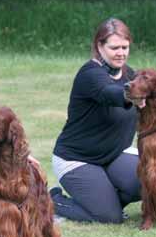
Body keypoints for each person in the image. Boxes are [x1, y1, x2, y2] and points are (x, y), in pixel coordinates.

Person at [50, 18, 141, 224]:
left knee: (151, 180)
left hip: (113, 155)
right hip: (76, 158)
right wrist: (133, 95)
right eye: (114, 47)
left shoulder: (130, 74)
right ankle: (52, 200)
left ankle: (103, 200)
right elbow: (108, 92)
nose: (121, 53)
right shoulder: (90, 74)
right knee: (110, 217)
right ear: (99, 46)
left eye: (125, 47)